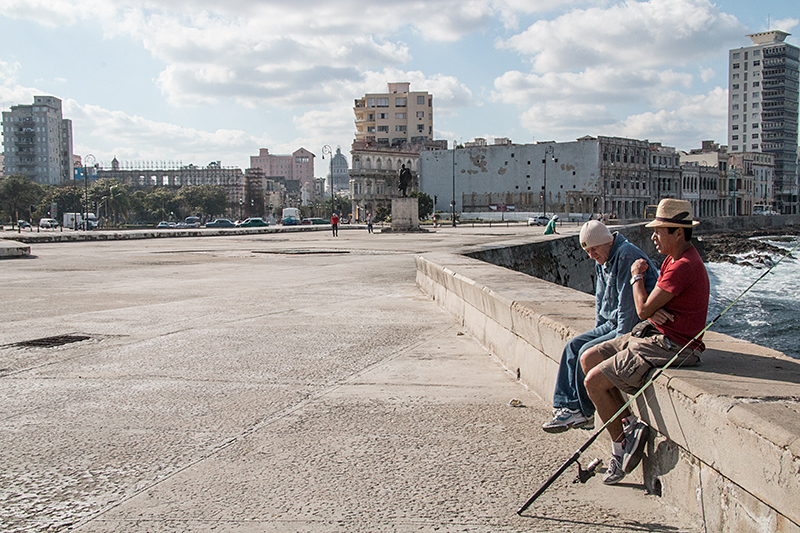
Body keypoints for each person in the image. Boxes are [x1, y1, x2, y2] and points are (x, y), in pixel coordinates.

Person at [580, 198, 709, 485]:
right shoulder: (671, 261)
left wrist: (637, 277)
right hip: (653, 334)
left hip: (672, 345)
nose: (653, 236)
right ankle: (629, 425)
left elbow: (641, 309)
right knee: (588, 357)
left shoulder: (683, 265)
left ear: (677, 232)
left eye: (659, 231)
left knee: (593, 381)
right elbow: (650, 307)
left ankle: (620, 447)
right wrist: (652, 307)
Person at [543, 221, 658, 433]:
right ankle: (565, 406)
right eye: (587, 251)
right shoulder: (603, 259)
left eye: (593, 249)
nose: (591, 255)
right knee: (573, 346)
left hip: (632, 325)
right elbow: (601, 300)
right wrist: (595, 332)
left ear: (607, 242)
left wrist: (619, 342)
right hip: (610, 322)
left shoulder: (625, 255)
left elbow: (628, 308)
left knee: (587, 352)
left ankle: (583, 412)